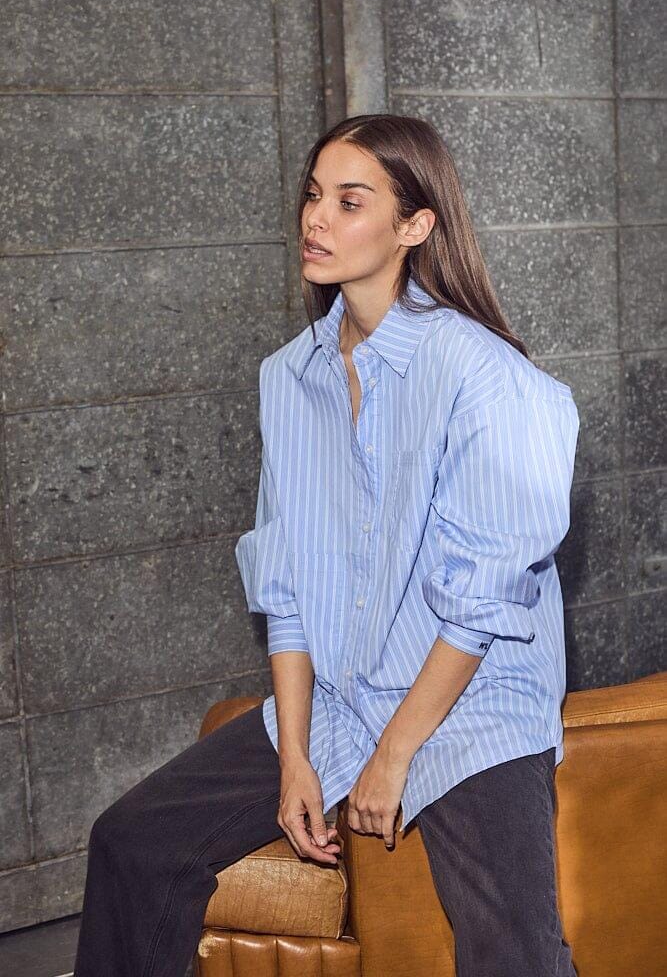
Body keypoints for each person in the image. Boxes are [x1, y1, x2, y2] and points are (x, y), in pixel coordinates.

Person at [74, 113, 580, 977]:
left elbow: (484, 602)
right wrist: (296, 762)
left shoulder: (485, 375)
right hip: (343, 698)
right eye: (313, 196)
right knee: (131, 842)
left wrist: (392, 758)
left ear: (414, 226)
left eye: (349, 202)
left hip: (469, 698)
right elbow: (287, 586)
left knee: (515, 954)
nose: (315, 218)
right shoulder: (289, 377)